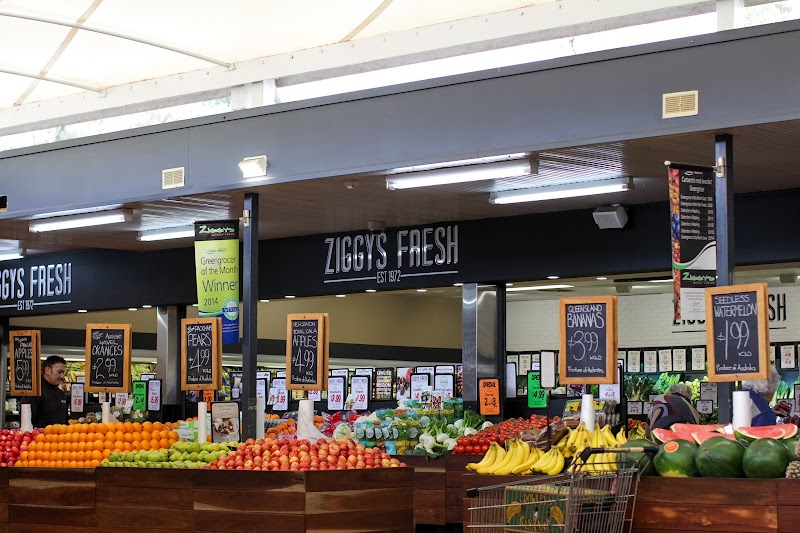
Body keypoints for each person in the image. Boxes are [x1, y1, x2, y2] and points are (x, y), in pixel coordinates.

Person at [24, 355, 68, 428]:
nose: (62, 376)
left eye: (63, 373)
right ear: (48, 370)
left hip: (61, 438)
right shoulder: (35, 392)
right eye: (59, 372)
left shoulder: (61, 394)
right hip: (40, 437)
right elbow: (28, 422)